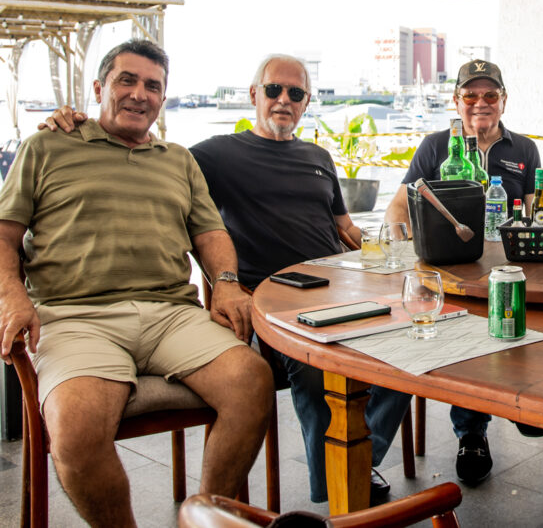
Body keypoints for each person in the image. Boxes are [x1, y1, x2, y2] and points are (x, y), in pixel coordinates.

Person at [42, 54, 410, 505]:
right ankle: (341, 487)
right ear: (254, 95)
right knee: (320, 370)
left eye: (295, 94)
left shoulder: (318, 157)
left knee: (408, 347)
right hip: (275, 303)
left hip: (341, 288)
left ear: (307, 102)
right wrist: (78, 121)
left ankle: (361, 458)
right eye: (274, 90)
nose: (283, 100)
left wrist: (391, 253)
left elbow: (346, 227)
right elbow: (143, 157)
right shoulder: (214, 154)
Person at [0, 40, 273, 527]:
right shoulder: (47, 145)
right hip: (76, 318)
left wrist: (228, 283)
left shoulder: (178, 159)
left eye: (153, 86)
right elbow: (5, 235)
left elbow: (210, 233)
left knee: (252, 382)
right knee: (78, 429)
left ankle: (205, 518)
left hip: (171, 315)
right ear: (99, 87)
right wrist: (13, 297)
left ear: (163, 99)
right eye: (127, 80)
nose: (139, 94)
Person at [384, 58, 542, 485]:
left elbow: (535, 210)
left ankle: (529, 403)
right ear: (456, 101)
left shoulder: (524, 149)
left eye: (490, 95)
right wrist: (403, 251)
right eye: (470, 95)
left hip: (509, 265)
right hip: (450, 271)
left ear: (503, 102)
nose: (480, 103)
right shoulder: (436, 146)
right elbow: (398, 208)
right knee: (471, 328)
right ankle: (471, 434)